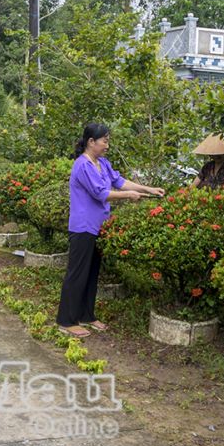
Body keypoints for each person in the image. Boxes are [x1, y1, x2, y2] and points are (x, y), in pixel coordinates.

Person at [57, 123, 165, 338]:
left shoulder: (102, 164)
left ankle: (87, 315)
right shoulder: (82, 166)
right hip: (83, 227)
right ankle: (66, 321)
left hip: (99, 226)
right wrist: (128, 196)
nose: (107, 145)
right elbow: (101, 193)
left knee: (92, 273)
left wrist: (147, 189)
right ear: (91, 142)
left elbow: (120, 182)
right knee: (77, 274)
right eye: (104, 140)